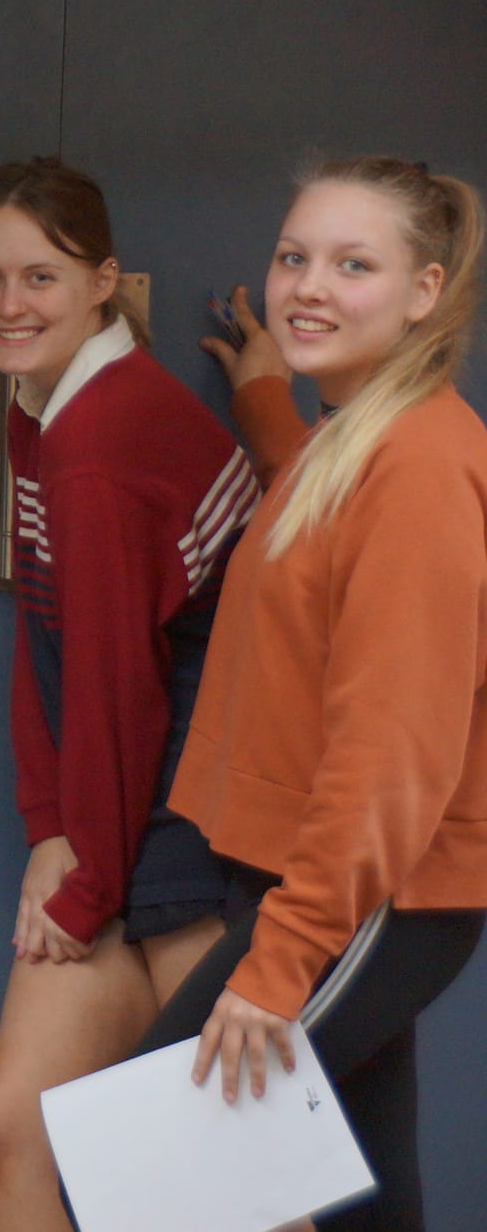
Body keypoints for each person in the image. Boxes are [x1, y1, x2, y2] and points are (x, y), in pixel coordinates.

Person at [136, 156, 487, 1232]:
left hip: (369, 897)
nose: (306, 287)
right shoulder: (348, 441)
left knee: (148, 1155)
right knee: (355, 1199)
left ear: (424, 291)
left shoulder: (419, 466)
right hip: (321, 880)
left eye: (351, 264)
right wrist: (260, 397)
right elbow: (319, 525)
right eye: (293, 257)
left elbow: (391, 753)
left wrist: (277, 962)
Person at [0, 159, 260, 1231]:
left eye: (37, 277)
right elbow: (45, 643)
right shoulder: (41, 402)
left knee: (241, 1178)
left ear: (103, 283)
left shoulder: (96, 439)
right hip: (120, 813)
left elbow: (117, 697)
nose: (7, 306)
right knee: (16, 1123)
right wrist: (50, 828)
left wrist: (81, 887)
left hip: (192, 824)